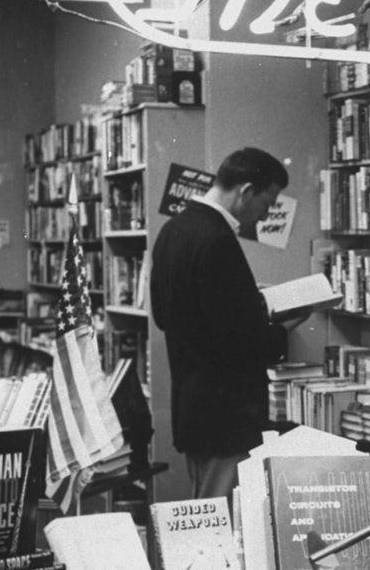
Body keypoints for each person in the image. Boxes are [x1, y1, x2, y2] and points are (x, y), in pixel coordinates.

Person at [151, 147, 301, 503]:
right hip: (227, 417)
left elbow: (163, 312)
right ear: (246, 191)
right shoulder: (218, 240)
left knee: (207, 512)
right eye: (266, 203)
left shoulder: (173, 230)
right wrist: (286, 326)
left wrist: (246, 300)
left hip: (193, 410)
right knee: (225, 522)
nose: (264, 216)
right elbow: (241, 343)